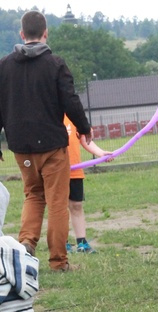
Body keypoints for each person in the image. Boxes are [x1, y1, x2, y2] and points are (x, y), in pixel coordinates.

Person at [0, 10, 92, 272]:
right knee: (57, 202)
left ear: (21, 34)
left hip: (20, 146)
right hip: (52, 145)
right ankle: (58, 261)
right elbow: (70, 101)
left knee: (32, 194)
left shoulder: (4, 65)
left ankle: (27, 244)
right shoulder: (55, 64)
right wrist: (84, 128)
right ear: (45, 33)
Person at [64, 115, 114, 254]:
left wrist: (101, 153)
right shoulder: (50, 113)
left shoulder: (73, 116)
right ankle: (62, 243)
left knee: (76, 206)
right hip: (56, 172)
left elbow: (86, 140)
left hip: (75, 171)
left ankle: (82, 243)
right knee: (59, 208)